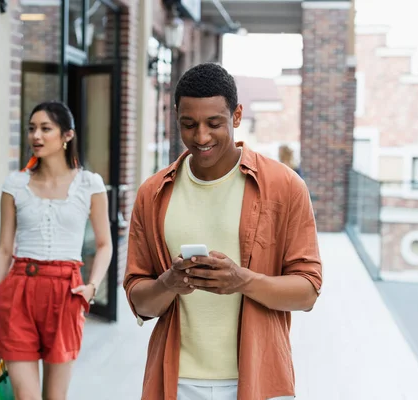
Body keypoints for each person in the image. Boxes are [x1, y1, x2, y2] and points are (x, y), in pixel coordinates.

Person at [124, 63, 322, 400]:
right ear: (176, 117)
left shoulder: (285, 185)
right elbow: (140, 301)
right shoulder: (152, 193)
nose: (201, 137)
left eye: (214, 123)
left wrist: (242, 280)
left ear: (236, 115)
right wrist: (168, 283)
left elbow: (307, 292)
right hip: (176, 382)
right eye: (189, 124)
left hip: (260, 379)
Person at [0, 101, 112, 400]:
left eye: (45, 128)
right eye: (31, 129)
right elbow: (4, 250)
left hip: (65, 293)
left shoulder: (89, 184)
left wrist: (92, 286)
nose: (36, 136)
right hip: (18, 292)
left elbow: (105, 244)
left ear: (67, 135)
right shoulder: (14, 184)